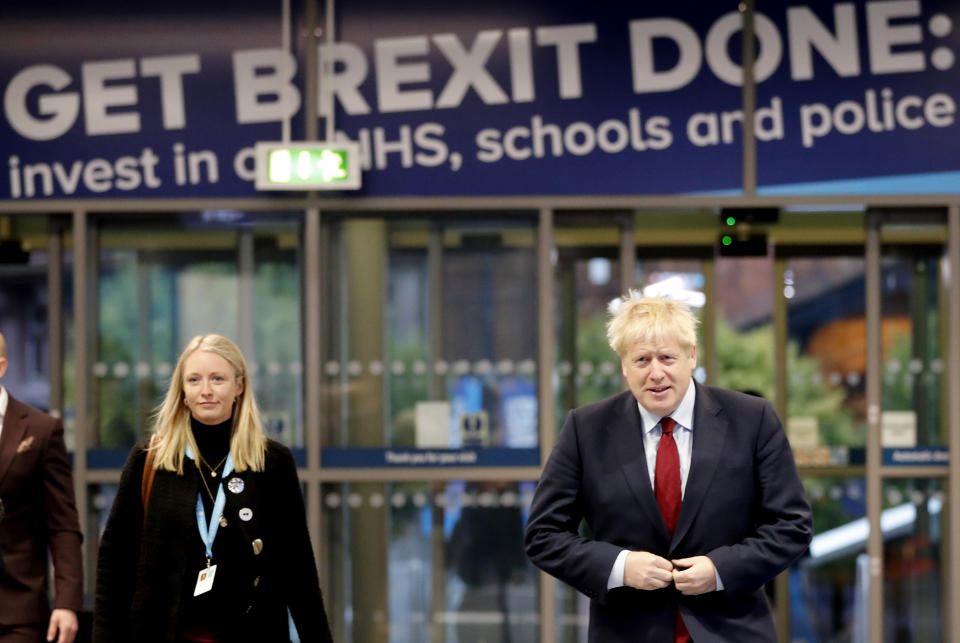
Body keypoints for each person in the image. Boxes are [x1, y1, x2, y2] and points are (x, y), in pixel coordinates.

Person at [524, 295, 813, 642]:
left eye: (667, 358)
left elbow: (792, 525)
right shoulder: (585, 429)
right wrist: (620, 566)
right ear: (624, 365)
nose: (655, 372)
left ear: (691, 356)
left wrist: (720, 570)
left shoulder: (752, 420)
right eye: (642, 359)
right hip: (627, 631)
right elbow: (544, 535)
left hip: (731, 631)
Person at [93, 334, 333, 643]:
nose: (205, 391)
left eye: (217, 379)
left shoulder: (273, 462)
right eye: (194, 380)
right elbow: (115, 561)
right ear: (182, 391)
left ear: (239, 386)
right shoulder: (149, 460)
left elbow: (297, 568)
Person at [0, 330, 83, 643]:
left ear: (2, 366)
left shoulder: (41, 429)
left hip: (16, 610)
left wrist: (67, 602)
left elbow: (62, 524)